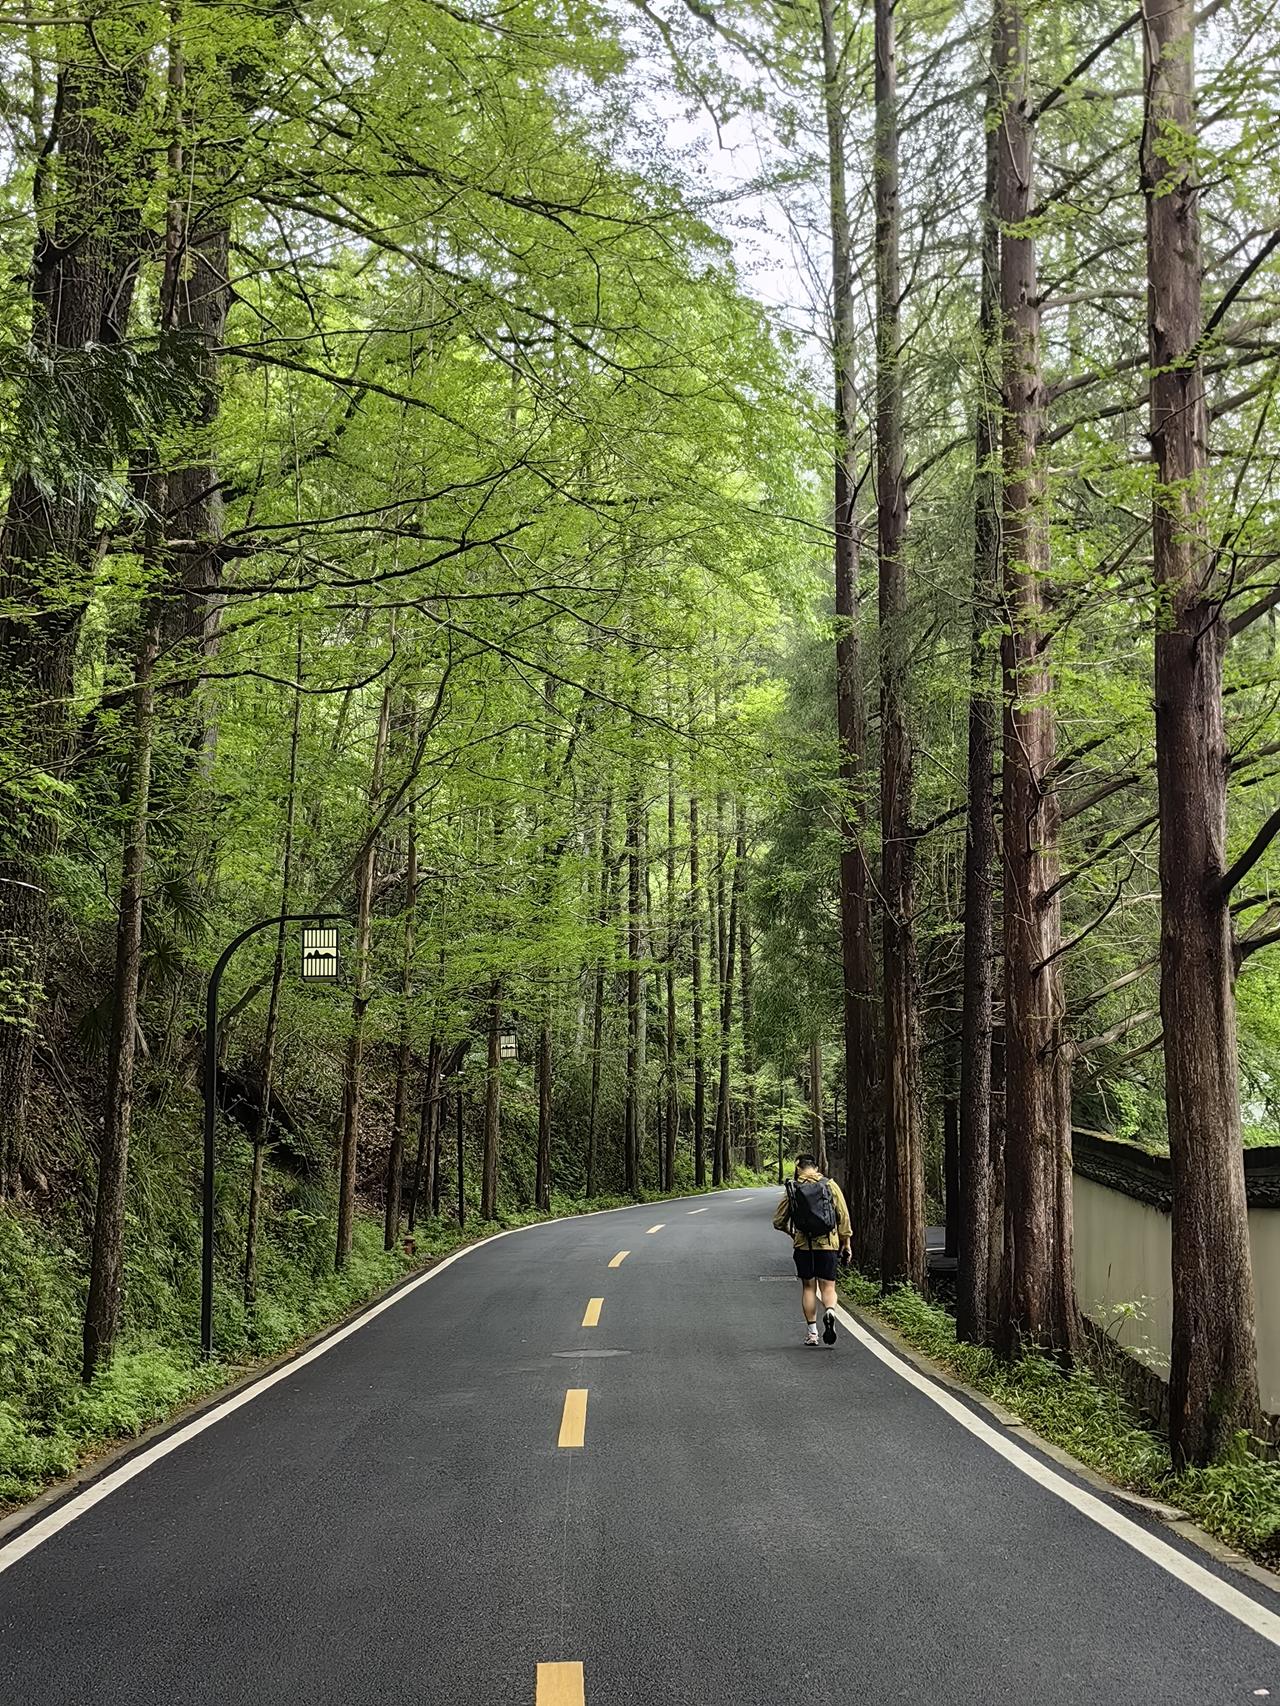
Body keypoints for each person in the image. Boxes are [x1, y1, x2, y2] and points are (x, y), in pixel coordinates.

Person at [773, 1153, 852, 1347]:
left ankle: (812, 1333)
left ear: (798, 1168)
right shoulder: (830, 1185)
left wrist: (792, 1234)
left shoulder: (793, 1189)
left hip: (803, 1246)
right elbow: (843, 1217)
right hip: (827, 1244)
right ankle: (831, 1311)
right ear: (816, 1167)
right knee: (829, 1286)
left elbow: (778, 1221)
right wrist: (846, 1243)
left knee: (809, 1287)